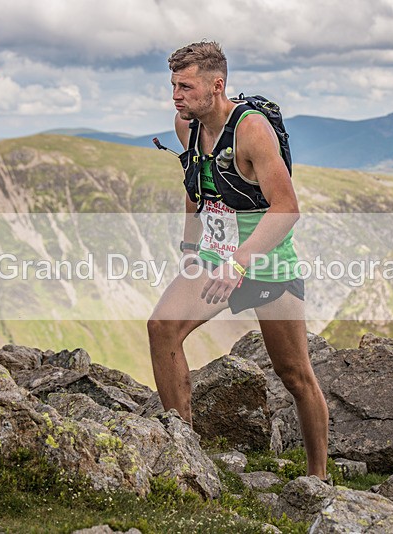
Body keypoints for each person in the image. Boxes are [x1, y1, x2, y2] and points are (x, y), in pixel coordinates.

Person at [147, 41, 329, 480]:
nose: (176, 95)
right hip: (213, 255)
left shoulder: (250, 130)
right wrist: (192, 252)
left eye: (186, 86)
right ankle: (183, 456)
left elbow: (286, 207)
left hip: (265, 259)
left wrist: (240, 262)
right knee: (161, 327)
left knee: (294, 374)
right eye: (173, 85)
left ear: (216, 85)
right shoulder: (185, 126)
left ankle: (319, 477)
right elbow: (196, 188)